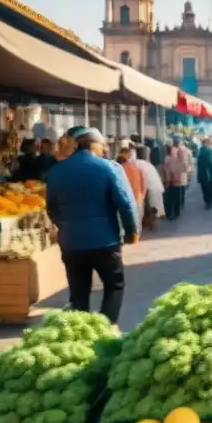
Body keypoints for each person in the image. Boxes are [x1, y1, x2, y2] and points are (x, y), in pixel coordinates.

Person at [45, 128, 139, 323]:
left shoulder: (56, 171)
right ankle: (105, 329)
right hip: (105, 242)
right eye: (103, 145)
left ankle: (82, 335)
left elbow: (51, 208)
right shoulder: (108, 168)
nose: (105, 149)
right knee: (114, 286)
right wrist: (132, 232)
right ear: (93, 144)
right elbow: (125, 203)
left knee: (79, 293)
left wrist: (66, 226)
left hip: (71, 244)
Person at [134, 145, 164, 230]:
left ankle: (150, 224)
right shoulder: (148, 164)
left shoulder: (137, 163)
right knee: (153, 207)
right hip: (155, 187)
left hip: (148, 188)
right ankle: (152, 224)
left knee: (148, 207)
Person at [117, 141, 147, 212]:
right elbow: (143, 186)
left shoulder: (118, 169)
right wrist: (140, 199)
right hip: (136, 200)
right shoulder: (138, 168)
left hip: (124, 202)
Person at [162, 145, 187, 220]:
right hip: (174, 182)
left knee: (171, 198)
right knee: (174, 198)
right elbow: (167, 169)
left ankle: (172, 213)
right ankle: (174, 212)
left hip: (173, 182)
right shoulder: (173, 160)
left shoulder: (171, 160)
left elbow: (166, 169)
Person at [197, 137, 212, 208]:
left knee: (204, 189)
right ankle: (209, 202)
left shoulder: (199, 151)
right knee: (209, 190)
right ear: (208, 143)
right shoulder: (210, 151)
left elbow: (198, 163)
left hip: (202, 174)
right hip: (209, 175)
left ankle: (207, 201)